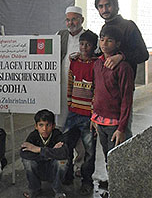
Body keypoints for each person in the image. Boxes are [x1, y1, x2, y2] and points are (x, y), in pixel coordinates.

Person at [94, 0, 149, 139]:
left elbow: (143, 54)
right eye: (100, 6)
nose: (104, 10)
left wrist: (121, 56)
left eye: (108, 5)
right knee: (109, 136)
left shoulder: (129, 26)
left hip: (123, 89)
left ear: (116, 5)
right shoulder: (104, 28)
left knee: (122, 132)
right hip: (106, 91)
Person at [91, 25, 134, 167]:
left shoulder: (123, 68)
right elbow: (96, 91)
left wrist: (122, 128)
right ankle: (112, 188)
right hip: (100, 122)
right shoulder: (97, 63)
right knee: (108, 159)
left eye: (109, 41)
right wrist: (94, 117)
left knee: (118, 162)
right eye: (102, 39)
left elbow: (126, 100)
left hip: (115, 124)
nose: (104, 44)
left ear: (118, 44)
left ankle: (121, 190)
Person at [63, 30, 98, 195]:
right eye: (82, 44)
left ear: (94, 47)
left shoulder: (97, 64)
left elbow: (97, 90)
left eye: (88, 45)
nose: (84, 47)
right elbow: (70, 83)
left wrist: (94, 113)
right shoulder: (74, 62)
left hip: (89, 116)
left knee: (89, 152)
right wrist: (70, 103)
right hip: (73, 113)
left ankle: (87, 181)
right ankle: (67, 175)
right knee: (66, 145)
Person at [56, 5, 86, 181]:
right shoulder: (61, 35)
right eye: (68, 19)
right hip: (61, 90)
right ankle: (63, 165)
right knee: (63, 128)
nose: (70, 23)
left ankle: (80, 166)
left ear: (81, 20)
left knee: (80, 130)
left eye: (74, 19)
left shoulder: (90, 37)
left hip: (81, 91)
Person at [21, 109, 68, 198]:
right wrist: (51, 153)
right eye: (41, 125)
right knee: (27, 161)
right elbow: (24, 153)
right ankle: (34, 189)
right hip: (39, 169)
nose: (44, 129)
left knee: (62, 162)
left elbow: (64, 153)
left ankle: (58, 190)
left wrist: (38, 149)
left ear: (53, 125)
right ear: (36, 126)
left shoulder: (57, 134)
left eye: (48, 125)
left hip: (53, 169)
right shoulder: (33, 136)